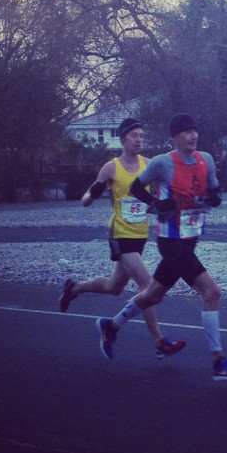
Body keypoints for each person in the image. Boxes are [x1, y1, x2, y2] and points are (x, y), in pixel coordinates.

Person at [95, 113, 227, 381]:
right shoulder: (163, 163)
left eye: (195, 130)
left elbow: (215, 191)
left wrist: (213, 199)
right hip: (171, 242)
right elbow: (135, 188)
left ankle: (111, 325)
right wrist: (156, 205)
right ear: (175, 137)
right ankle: (218, 361)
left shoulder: (206, 160)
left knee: (153, 294)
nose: (193, 135)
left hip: (190, 239)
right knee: (212, 291)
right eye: (187, 131)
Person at [59, 117, 186, 360]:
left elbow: (163, 190)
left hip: (140, 236)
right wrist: (90, 195)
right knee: (148, 286)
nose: (139, 139)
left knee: (113, 287)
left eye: (141, 135)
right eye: (134, 135)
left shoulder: (148, 165)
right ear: (123, 139)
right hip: (119, 234)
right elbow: (88, 196)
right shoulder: (111, 168)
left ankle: (73, 289)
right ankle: (159, 342)